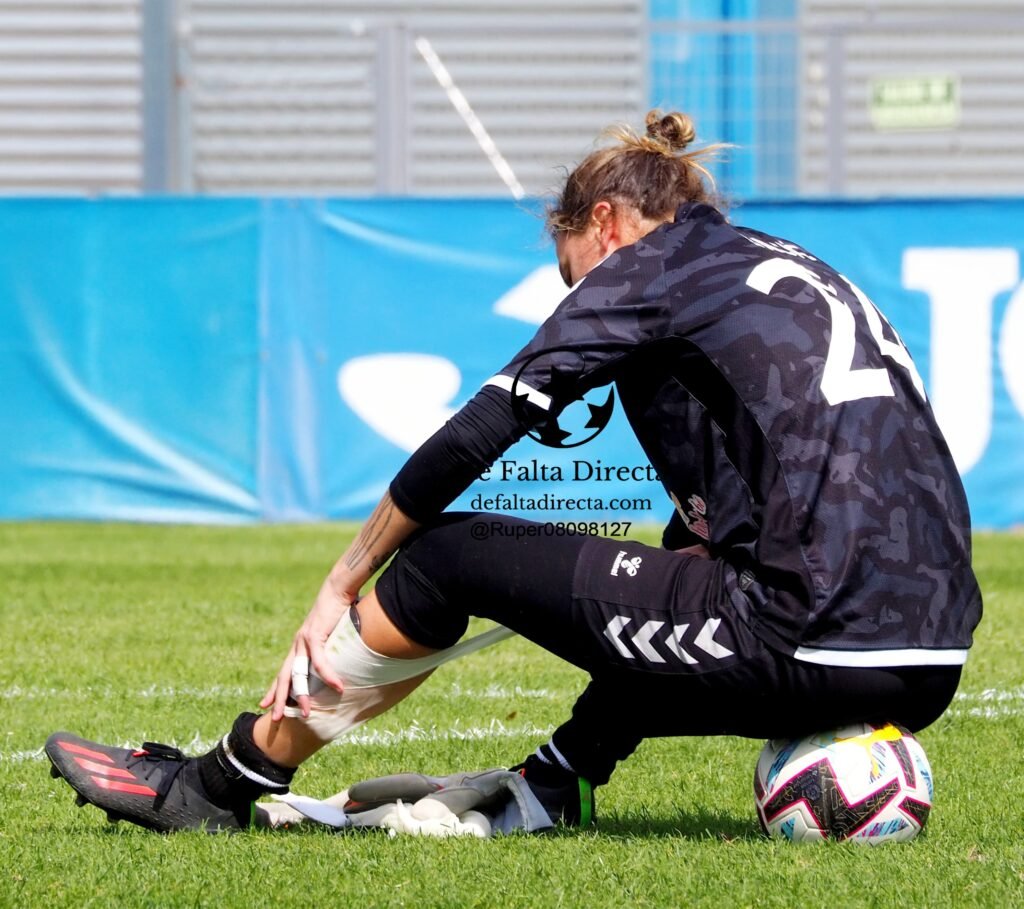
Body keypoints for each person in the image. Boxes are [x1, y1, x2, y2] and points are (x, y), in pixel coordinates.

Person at [46, 110, 982, 833]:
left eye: (574, 275)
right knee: (674, 580)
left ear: (605, 224)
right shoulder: (787, 266)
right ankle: (552, 784)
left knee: (448, 556)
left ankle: (220, 783)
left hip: (808, 639)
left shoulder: (646, 268)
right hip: (931, 657)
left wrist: (342, 579)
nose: (580, 300)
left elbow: (480, 431)